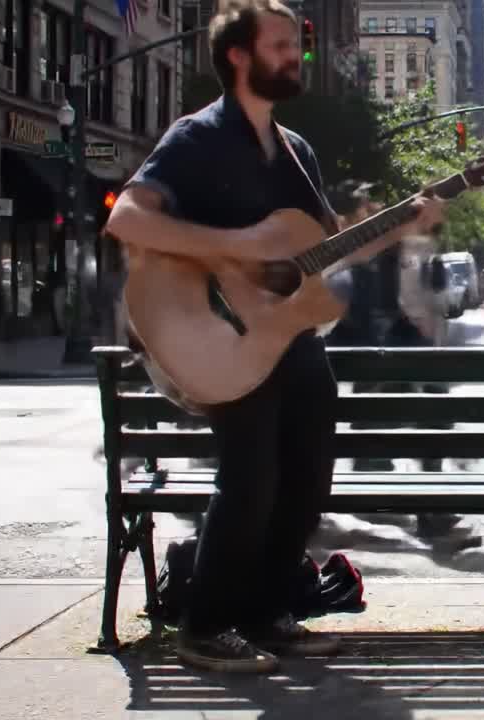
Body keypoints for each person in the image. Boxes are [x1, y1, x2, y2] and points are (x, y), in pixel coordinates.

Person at [106, 0, 443, 673]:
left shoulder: (297, 150)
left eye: (297, 45)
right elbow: (130, 220)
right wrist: (234, 248)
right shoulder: (197, 137)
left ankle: (266, 613)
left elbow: (326, 247)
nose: (296, 55)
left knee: (308, 476)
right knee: (251, 478)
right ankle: (205, 626)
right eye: (282, 45)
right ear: (239, 56)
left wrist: (403, 224)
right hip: (215, 332)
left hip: (289, 337)